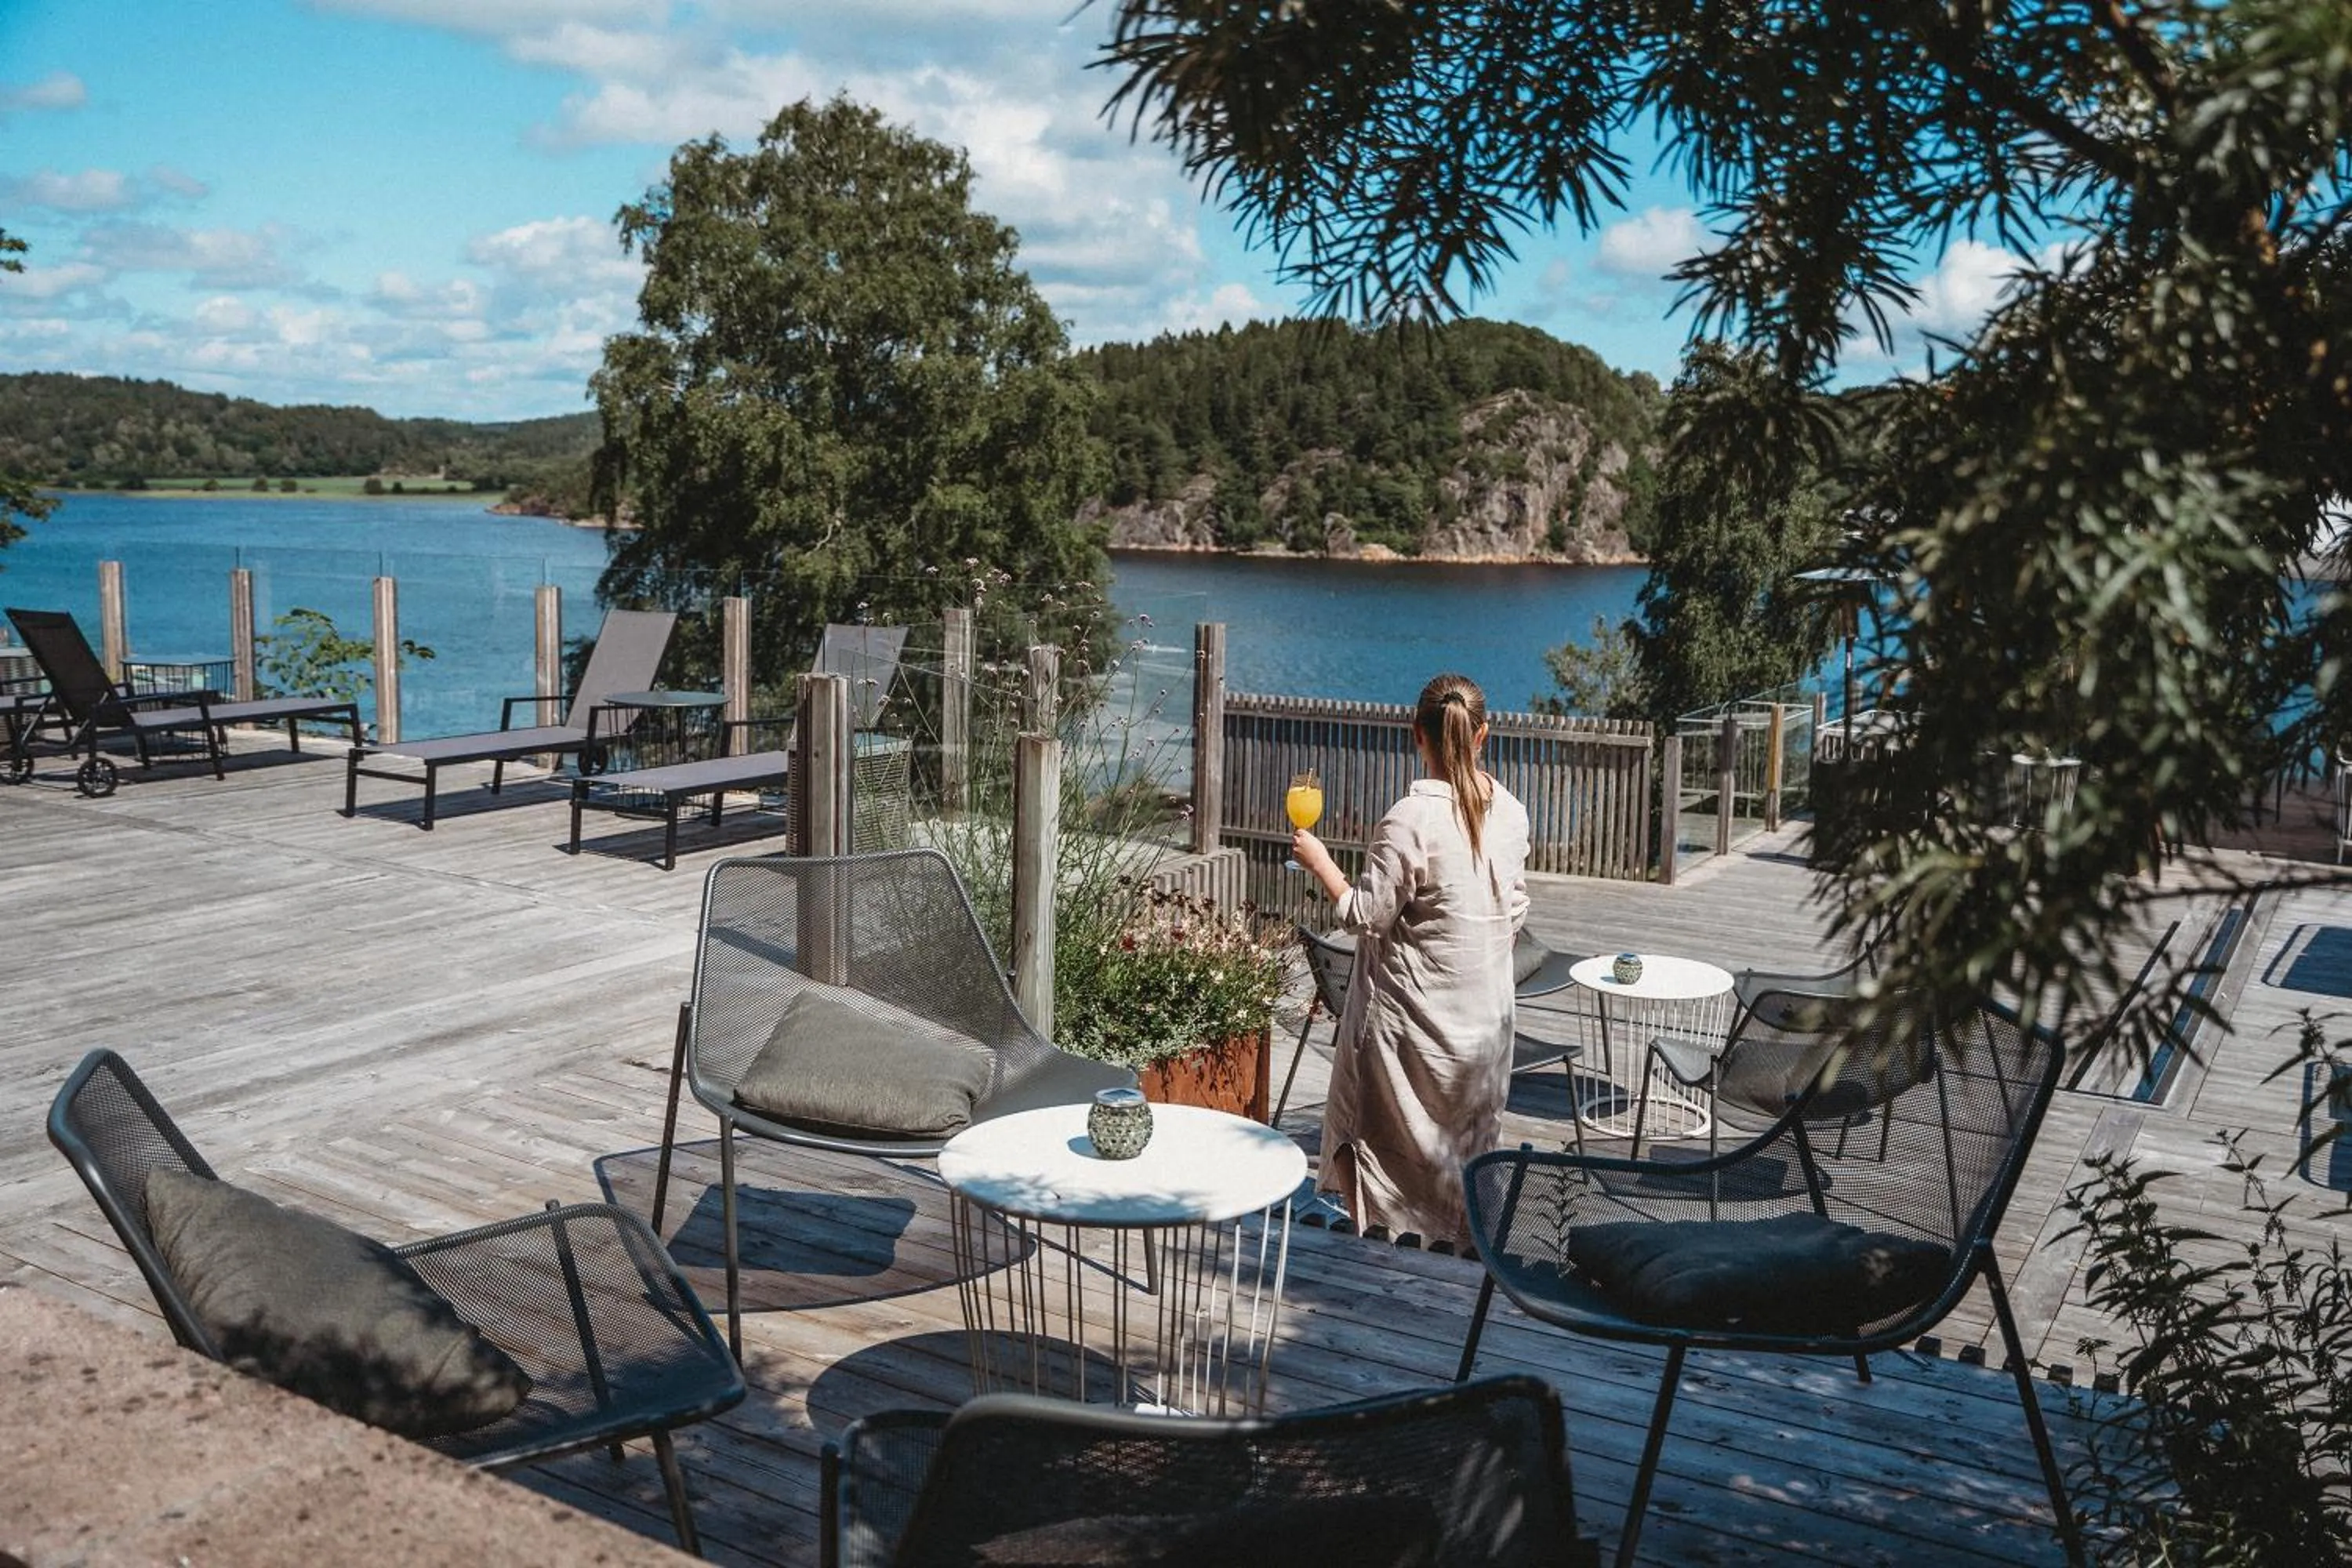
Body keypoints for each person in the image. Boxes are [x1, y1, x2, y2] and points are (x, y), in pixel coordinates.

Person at [1289, 673, 1530, 1248]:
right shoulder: (1513, 814)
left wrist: (1319, 861)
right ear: (1483, 736)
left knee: (1377, 1143)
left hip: (1410, 1025)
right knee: (1466, 1151)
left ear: (1415, 734)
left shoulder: (1409, 818)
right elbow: (1514, 910)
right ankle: (1464, 1241)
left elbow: (1366, 915)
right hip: (1484, 1027)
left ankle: (1374, 1244)